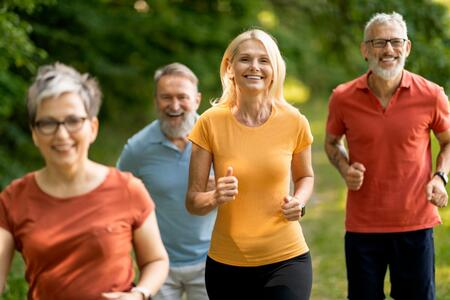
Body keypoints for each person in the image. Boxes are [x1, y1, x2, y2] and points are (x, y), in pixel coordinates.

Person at [0, 63, 169, 300]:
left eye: (72, 120)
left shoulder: (128, 189)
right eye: (48, 123)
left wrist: (139, 293)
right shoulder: (14, 198)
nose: (61, 134)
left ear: (92, 127)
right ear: (35, 133)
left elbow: (156, 260)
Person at [324, 12, 450, 300]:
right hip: (362, 225)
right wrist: (345, 168)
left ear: (407, 48)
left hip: (415, 223)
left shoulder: (431, 94)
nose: (388, 50)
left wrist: (440, 177)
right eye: (379, 42)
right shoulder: (343, 97)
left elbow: (448, 143)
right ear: (365, 49)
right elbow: (331, 143)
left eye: (395, 42)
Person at [186, 29, 314, 300]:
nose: (254, 67)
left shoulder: (295, 121)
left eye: (263, 60)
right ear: (230, 68)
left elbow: (306, 177)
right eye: (245, 59)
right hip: (227, 263)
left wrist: (299, 202)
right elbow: (193, 201)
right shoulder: (209, 123)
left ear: (274, 69)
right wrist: (215, 196)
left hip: (286, 257)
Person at [117, 62, 216, 300]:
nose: (174, 105)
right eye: (166, 97)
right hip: (159, 263)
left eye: (182, 97)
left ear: (197, 99)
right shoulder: (138, 148)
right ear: (155, 101)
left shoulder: (219, 138)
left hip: (213, 259)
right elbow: (116, 198)